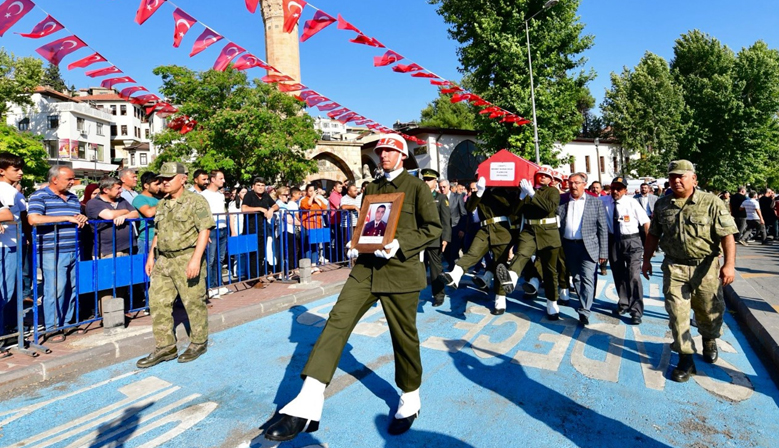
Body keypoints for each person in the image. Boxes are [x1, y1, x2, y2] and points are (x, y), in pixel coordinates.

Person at [264, 134, 441, 441]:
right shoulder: (372, 188)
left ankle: (410, 396)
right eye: (380, 150)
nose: (383, 155)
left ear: (402, 155)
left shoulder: (416, 187)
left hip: (400, 271)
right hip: (367, 269)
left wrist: (400, 244)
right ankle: (307, 403)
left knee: (404, 336)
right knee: (336, 322)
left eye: (389, 150)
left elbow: (432, 228)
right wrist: (357, 241)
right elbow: (368, 222)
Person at [641, 160, 738, 383]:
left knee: (708, 310)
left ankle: (709, 338)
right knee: (677, 313)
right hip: (674, 266)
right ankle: (686, 358)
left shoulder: (711, 202)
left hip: (706, 267)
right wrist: (646, 260)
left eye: (681, 176)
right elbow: (653, 235)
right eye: (672, 176)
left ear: (694, 179)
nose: (676, 180)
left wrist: (729, 265)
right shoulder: (662, 204)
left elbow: (727, 236)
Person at [136, 162, 214, 369]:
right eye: (162, 179)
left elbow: (205, 230)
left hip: (186, 257)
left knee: (193, 302)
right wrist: (151, 256)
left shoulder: (196, 201)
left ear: (183, 178)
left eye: (169, 178)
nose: (164, 183)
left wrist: (196, 259)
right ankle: (165, 347)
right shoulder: (162, 204)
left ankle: (198, 342)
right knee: (158, 302)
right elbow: (158, 232)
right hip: (163, 260)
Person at [27, 166, 88, 342]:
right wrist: (65, 218)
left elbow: (75, 215)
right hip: (52, 251)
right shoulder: (40, 196)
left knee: (73, 288)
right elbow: (34, 219)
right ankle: (52, 328)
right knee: (55, 289)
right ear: (55, 179)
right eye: (69, 179)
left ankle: (68, 322)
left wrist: (80, 217)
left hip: (74, 248)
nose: (72, 182)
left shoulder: (73, 197)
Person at [441, 177, 518, 315]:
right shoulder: (480, 192)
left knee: (500, 265)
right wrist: (480, 192)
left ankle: (500, 299)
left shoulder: (506, 192)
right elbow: (469, 208)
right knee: (472, 253)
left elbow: (512, 208)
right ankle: (455, 275)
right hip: (484, 229)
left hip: (502, 229)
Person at [495, 166, 562, 320]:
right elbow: (515, 212)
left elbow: (549, 207)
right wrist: (522, 196)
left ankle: (552, 302)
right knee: (522, 253)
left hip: (548, 232)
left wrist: (532, 194)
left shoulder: (552, 191)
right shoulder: (527, 190)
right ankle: (511, 276)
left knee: (550, 271)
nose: (542, 178)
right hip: (530, 230)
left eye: (546, 176)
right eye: (540, 175)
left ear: (551, 179)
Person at [557, 172, 608, 326]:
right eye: (570, 183)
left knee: (587, 277)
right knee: (577, 277)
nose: (572, 186)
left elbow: (602, 228)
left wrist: (603, 252)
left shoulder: (595, 202)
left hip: (589, 246)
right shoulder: (562, 200)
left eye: (576, 183)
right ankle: (583, 301)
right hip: (568, 246)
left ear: (584, 184)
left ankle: (584, 310)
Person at [599, 176, 650, 325]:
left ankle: (636, 310)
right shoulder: (603, 202)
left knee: (633, 275)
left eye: (619, 189)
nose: (615, 191)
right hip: (614, 241)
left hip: (632, 241)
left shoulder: (632, 202)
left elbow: (646, 223)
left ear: (625, 191)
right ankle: (623, 302)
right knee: (618, 273)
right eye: (613, 188)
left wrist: (649, 246)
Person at [0, 152, 25, 346]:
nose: (21, 173)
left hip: (12, 244)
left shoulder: (12, 190)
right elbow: (7, 214)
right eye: (15, 169)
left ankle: (6, 328)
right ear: (2, 171)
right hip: (6, 246)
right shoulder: (5, 189)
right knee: (5, 291)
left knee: (9, 291)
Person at [85, 177, 139, 258]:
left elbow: (136, 214)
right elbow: (110, 216)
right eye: (118, 188)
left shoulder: (121, 200)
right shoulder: (94, 203)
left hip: (128, 248)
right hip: (108, 251)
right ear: (106, 190)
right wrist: (125, 211)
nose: (121, 191)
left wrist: (125, 216)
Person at [422, 169, 451, 307]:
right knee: (418, 267)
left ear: (435, 182)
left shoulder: (441, 198)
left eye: (429, 179)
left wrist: (445, 238)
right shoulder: (420, 196)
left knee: (435, 269)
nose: (426, 182)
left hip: (434, 239)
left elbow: (446, 220)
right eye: (425, 179)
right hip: (420, 238)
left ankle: (439, 295)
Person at [241, 177, 278, 285]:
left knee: (261, 255)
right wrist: (260, 209)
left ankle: (260, 276)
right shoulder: (249, 195)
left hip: (263, 229)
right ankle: (253, 280)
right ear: (253, 186)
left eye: (262, 185)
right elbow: (244, 208)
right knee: (253, 255)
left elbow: (276, 205)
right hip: (251, 229)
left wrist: (271, 209)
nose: (261, 187)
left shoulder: (266, 195)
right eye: (258, 185)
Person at [201, 170, 229, 294]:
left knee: (220, 258)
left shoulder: (220, 195)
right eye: (221, 178)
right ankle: (210, 287)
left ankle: (219, 284)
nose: (223, 181)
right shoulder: (204, 195)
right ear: (213, 179)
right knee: (210, 259)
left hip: (222, 228)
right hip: (211, 230)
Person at [300, 184, 328, 272]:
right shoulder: (304, 200)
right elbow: (306, 206)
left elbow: (324, 208)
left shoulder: (318, 200)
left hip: (317, 225)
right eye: (310, 191)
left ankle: (314, 263)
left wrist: (316, 199)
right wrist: (312, 198)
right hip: (308, 225)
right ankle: (308, 264)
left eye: (313, 191)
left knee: (315, 244)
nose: (312, 193)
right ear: (307, 192)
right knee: (309, 245)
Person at [133, 172, 162, 254]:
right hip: (147, 239)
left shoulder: (157, 198)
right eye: (156, 184)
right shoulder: (139, 199)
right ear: (146, 185)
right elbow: (148, 213)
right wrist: (164, 203)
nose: (159, 187)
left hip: (159, 237)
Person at [440, 179, 466, 267]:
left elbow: (463, 214)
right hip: (443, 229)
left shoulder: (457, 197)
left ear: (449, 187)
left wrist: (462, 229)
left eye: (444, 187)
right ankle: (453, 265)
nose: (442, 189)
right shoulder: (439, 198)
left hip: (455, 228)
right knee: (445, 251)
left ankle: (453, 269)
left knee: (454, 251)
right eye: (440, 187)